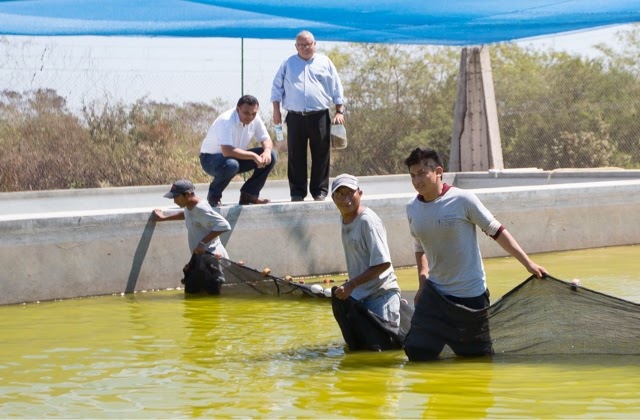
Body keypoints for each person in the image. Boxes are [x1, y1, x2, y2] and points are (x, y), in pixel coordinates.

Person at [403, 148, 548, 360]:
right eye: (413, 175)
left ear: (438, 172)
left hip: (470, 296)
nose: (417, 180)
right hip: (435, 295)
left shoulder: (463, 200)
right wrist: (423, 282)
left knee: (477, 360)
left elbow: (497, 231)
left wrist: (528, 264)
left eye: (422, 173)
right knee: (417, 351)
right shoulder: (412, 208)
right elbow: (419, 246)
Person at [330, 174, 403, 351]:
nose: (345, 199)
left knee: (386, 350)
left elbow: (383, 263)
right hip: (361, 296)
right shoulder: (345, 218)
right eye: (339, 194)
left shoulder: (367, 221)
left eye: (350, 193)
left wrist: (352, 284)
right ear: (333, 198)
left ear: (360, 193)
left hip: (380, 296)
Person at [271, 30, 345, 202]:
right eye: (301, 45)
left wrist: (339, 110)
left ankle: (319, 191)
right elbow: (276, 88)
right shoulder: (288, 63)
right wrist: (276, 111)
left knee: (321, 154)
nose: (305, 47)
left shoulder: (325, 62)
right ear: (296, 46)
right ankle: (297, 192)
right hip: (295, 116)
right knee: (296, 155)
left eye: (308, 44)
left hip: (319, 115)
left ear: (315, 44)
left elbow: (336, 87)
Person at [152, 179, 232, 294]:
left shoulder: (200, 208)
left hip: (212, 258)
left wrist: (202, 243)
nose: (174, 201)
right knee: (199, 297)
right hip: (201, 258)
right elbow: (187, 215)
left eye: (176, 197)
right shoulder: (190, 206)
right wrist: (164, 218)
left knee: (211, 299)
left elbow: (224, 225)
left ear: (189, 194)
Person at [200, 95, 276, 207]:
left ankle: (249, 194)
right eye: (246, 113)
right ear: (237, 109)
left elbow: (266, 139)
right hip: (210, 159)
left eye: (253, 113)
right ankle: (214, 196)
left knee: (272, 156)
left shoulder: (256, 118)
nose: (250, 117)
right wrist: (253, 156)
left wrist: (267, 152)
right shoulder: (226, 120)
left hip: (234, 158)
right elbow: (227, 151)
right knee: (232, 164)